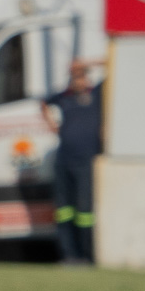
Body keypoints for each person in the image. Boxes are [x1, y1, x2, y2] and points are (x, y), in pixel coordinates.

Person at [43, 61, 101, 265]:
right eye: (74, 77)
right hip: (64, 160)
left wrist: (87, 61)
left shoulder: (96, 94)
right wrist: (51, 124)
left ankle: (87, 255)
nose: (77, 81)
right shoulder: (64, 97)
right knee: (64, 211)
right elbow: (43, 102)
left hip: (86, 161)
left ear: (87, 77)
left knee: (85, 211)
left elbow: (115, 62)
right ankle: (69, 255)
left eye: (80, 76)